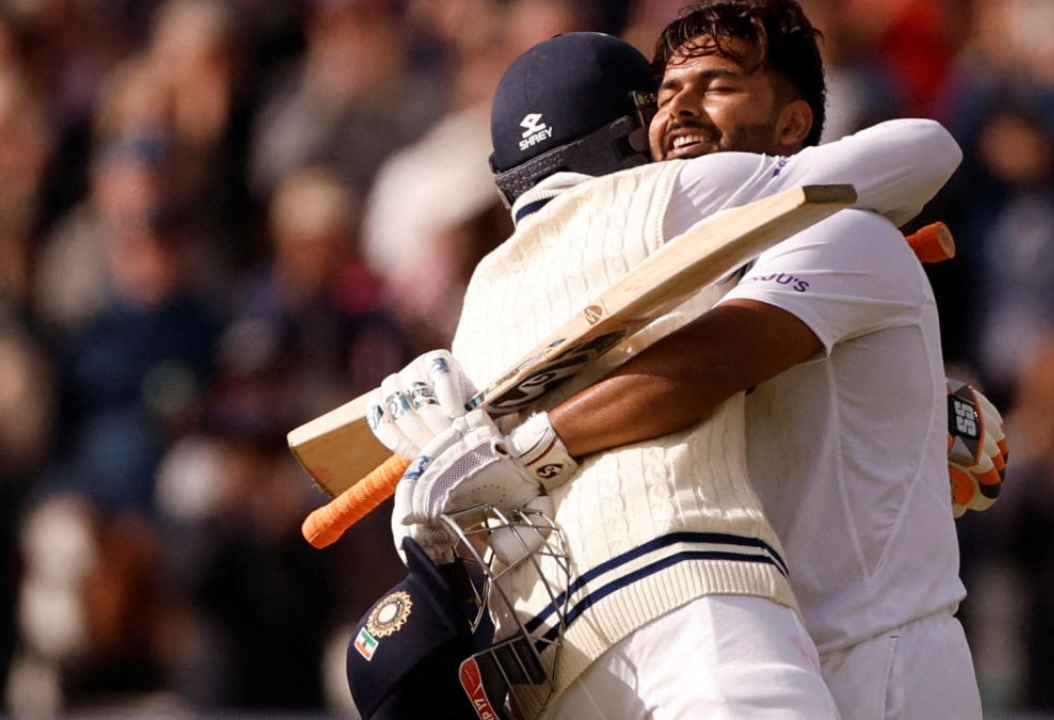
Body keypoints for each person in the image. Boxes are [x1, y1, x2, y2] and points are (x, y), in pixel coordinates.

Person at [365, 15, 978, 720]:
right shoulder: (674, 275)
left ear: (791, 125)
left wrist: (516, 448)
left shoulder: (843, 231)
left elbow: (702, 367)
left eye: (718, 86)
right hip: (770, 639)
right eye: (665, 93)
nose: (681, 108)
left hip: (880, 659)